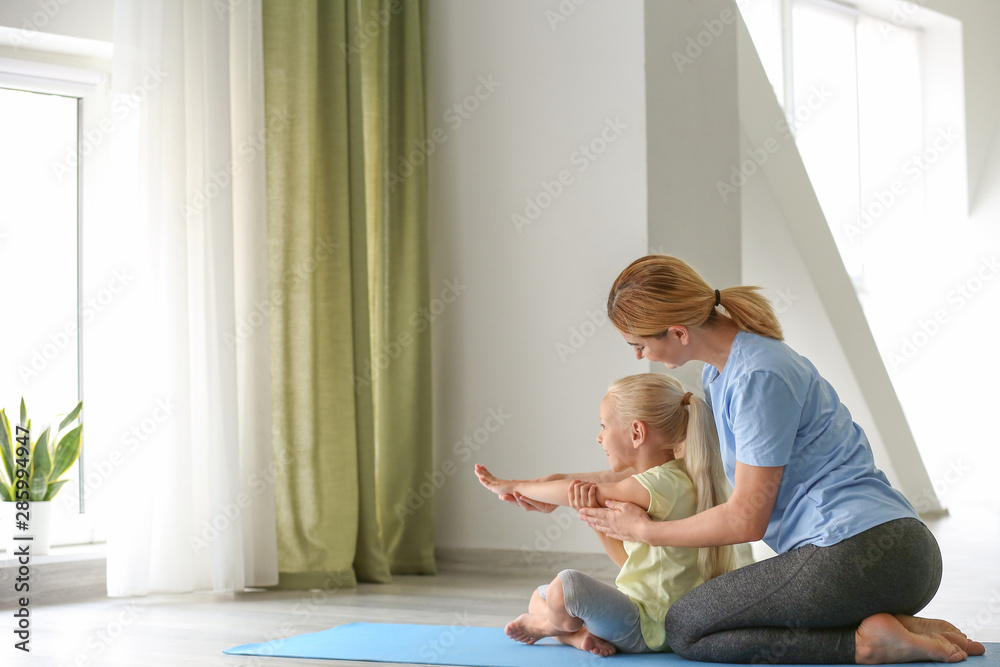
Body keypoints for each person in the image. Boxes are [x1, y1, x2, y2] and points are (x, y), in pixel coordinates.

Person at [562, 254, 987, 664]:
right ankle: (898, 624)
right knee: (705, 616)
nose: (639, 357)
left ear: (677, 332)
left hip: (858, 555)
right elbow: (673, 475)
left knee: (685, 626)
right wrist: (547, 486)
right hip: (884, 554)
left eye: (639, 345)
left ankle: (865, 646)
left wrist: (647, 532)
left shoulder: (756, 376)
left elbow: (747, 519)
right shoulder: (722, 373)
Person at [475, 372, 748, 656]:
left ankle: (551, 628)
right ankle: (577, 636)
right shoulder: (677, 478)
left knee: (565, 587)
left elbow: (583, 488)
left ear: (636, 433)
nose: (599, 437)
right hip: (642, 622)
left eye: (604, 426)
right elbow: (629, 563)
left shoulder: (659, 485)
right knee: (539, 598)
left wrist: (517, 485)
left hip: (646, 627)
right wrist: (591, 512)